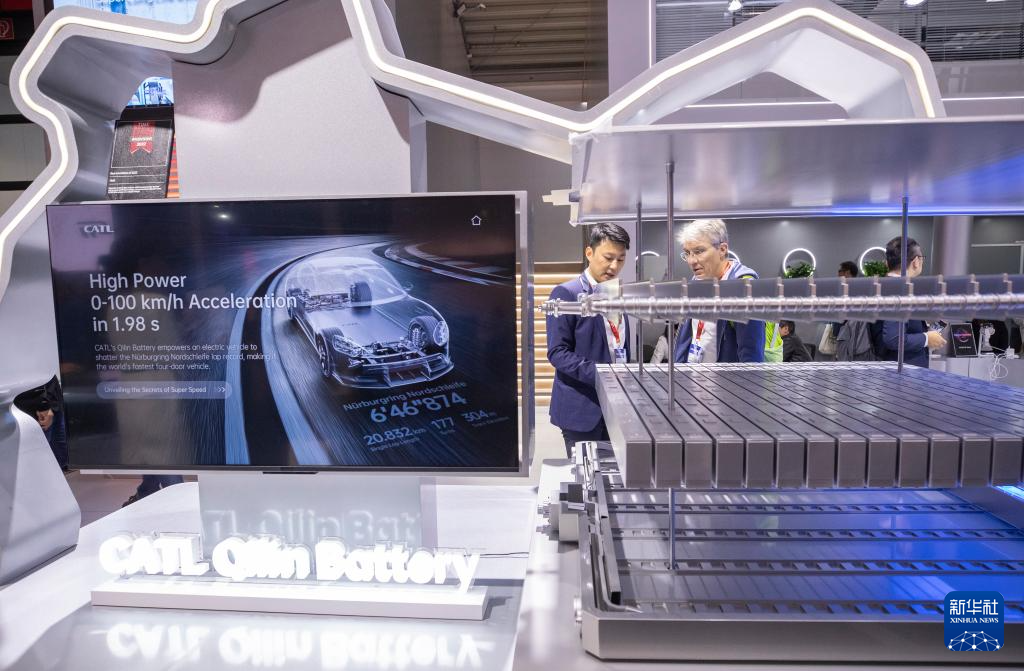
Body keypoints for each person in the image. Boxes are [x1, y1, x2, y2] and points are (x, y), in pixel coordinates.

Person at [547, 222, 631, 455]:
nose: (614, 266)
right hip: (581, 409)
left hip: (617, 408)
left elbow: (618, 344)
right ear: (589, 253)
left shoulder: (617, 294)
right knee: (586, 473)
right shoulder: (567, 293)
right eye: (608, 258)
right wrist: (603, 375)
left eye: (621, 259)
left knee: (616, 470)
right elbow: (557, 352)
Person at [673, 219, 765, 363]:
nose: (691, 261)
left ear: (722, 249)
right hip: (693, 373)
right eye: (687, 253)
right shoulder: (696, 282)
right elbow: (685, 340)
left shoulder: (744, 287)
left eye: (699, 251)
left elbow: (751, 354)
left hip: (725, 377)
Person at [871, 236, 946, 368]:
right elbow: (893, 338)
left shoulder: (882, 287)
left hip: (890, 367)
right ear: (916, 261)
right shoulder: (899, 290)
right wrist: (927, 338)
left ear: (887, 263)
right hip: (902, 372)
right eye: (921, 258)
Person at [13, 375, 69, 471]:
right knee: (41, 459)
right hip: (37, 408)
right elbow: (30, 374)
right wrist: (43, 405)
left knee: (60, 456)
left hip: (53, 401)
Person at [833, 261, 875, 361]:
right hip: (854, 339)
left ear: (847, 272)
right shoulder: (860, 289)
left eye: (840, 271)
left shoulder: (850, 291)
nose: (838, 274)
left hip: (852, 339)